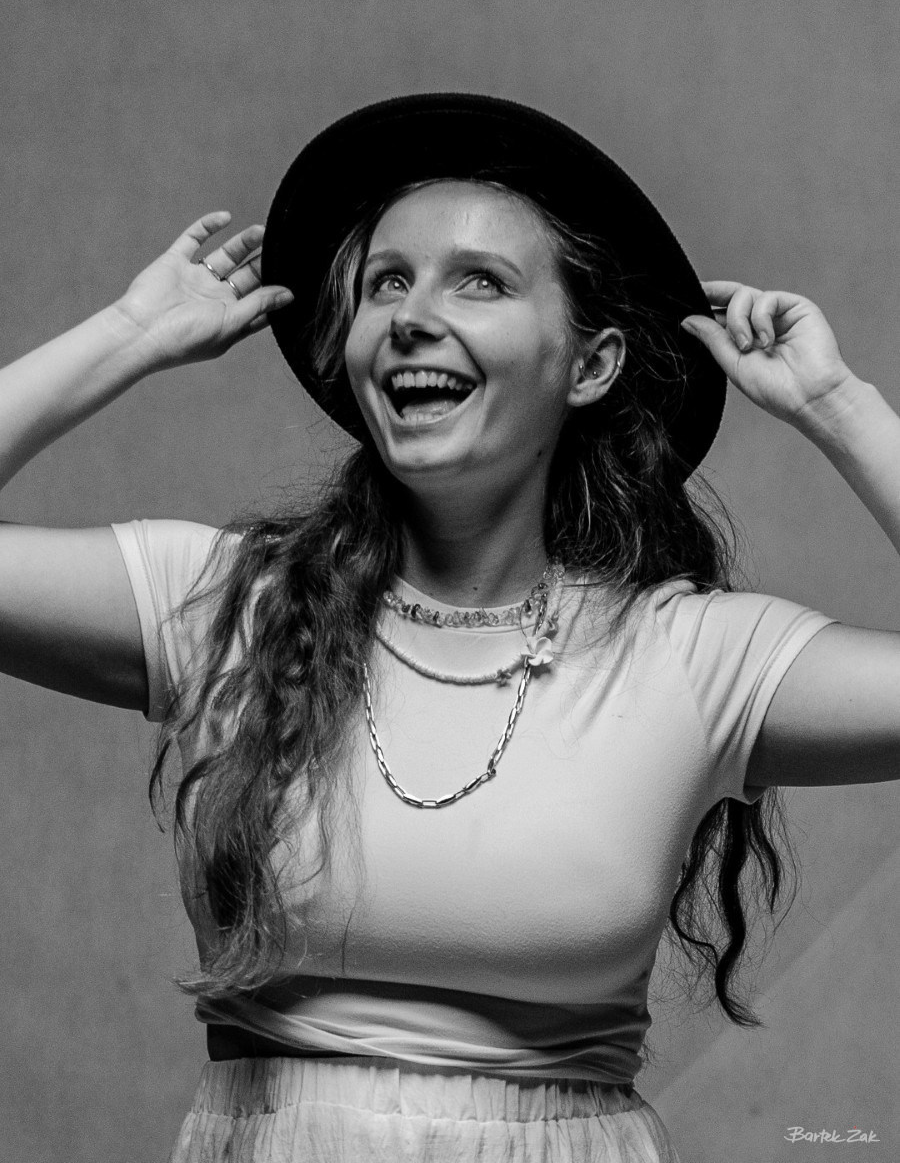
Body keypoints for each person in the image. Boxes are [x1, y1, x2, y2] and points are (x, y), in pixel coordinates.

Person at [2, 93, 898, 1163]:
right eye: (386, 282)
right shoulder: (224, 604)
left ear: (591, 365)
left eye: (480, 281)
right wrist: (126, 337)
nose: (411, 315)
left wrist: (840, 407)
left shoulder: (696, 659)